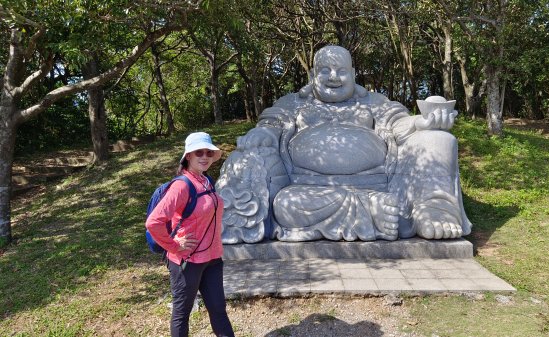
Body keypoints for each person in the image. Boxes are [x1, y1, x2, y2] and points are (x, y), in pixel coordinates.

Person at [216, 45, 472, 243]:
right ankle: (371, 209)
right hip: (309, 188)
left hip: (381, 181)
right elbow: (273, 123)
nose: (334, 77)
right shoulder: (293, 102)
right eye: (325, 71)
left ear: (352, 74)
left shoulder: (375, 102)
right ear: (313, 75)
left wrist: (422, 124)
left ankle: (434, 209)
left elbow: (400, 124)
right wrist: (265, 135)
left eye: (341, 71)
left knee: (438, 139)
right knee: (285, 205)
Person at [146, 132, 235, 337]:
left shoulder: (206, 181)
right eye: (198, 153)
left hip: (213, 258)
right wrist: (175, 246)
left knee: (218, 310)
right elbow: (154, 222)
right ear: (188, 156)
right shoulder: (181, 185)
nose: (204, 157)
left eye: (208, 152)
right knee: (182, 313)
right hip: (187, 261)